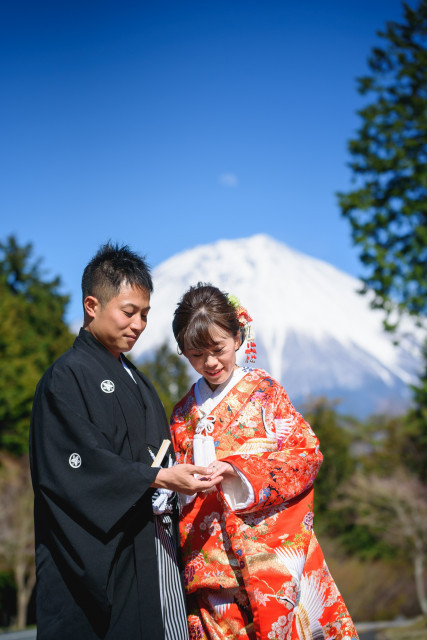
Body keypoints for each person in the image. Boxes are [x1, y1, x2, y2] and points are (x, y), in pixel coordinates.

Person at [30, 245, 221, 640]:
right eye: (129, 311)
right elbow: (77, 467)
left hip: (155, 545)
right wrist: (160, 478)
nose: (138, 324)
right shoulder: (65, 378)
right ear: (91, 305)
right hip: (111, 556)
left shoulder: (136, 379)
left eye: (146, 314)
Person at [170, 283, 358, 640]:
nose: (209, 362)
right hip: (212, 566)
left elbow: (305, 455)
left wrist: (239, 470)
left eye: (218, 349)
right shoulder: (182, 414)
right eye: (196, 354)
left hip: (273, 560)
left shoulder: (265, 393)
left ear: (238, 336)